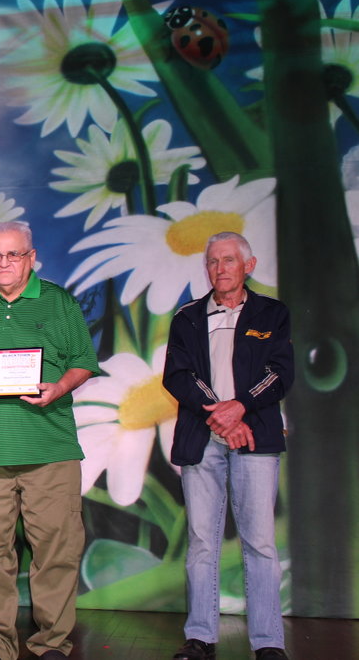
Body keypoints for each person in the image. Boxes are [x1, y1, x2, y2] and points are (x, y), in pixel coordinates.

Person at [0, 220, 98, 660]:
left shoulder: (58, 302)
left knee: (57, 550)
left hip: (50, 450)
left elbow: (84, 360)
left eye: (13, 254)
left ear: (31, 258)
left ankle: (52, 644)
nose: (3, 263)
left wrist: (59, 387)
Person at [163, 232, 294, 660]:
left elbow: (280, 373)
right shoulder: (186, 317)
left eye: (229, 260)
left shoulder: (272, 313)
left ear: (248, 266)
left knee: (260, 542)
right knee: (202, 541)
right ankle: (200, 636)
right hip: (201, 439)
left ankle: (268, 642)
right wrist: (221, 415)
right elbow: (178, 375)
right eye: (213, 261)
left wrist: (240, 408)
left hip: (255, 436)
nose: (220, 269)